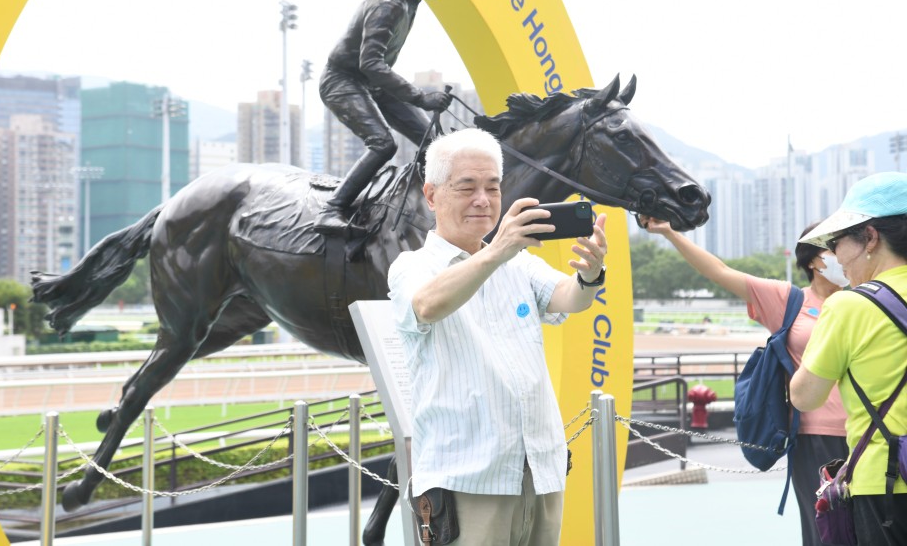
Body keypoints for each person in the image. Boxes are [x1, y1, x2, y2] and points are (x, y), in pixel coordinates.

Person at [387, 128, 608, 545]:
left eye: (493, 187)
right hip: (466, 478)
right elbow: (426, 305)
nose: (483, 200)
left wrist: (591, 274)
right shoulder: (411, 266)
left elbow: (568, 298)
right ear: (431, 196)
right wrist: (495, 250)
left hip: (538, 469)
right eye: (467, 186)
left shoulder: (517, 264)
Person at [643, 216, 848, 546]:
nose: (843, 253)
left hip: (870, 431)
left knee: (871, 525)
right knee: (823, 528)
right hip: (815, 437)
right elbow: (720, 272)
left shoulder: (864, 298)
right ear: (813, 259)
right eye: (833, 247)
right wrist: (669, 233)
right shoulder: (788, 300)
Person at [314, 0, 488, 233]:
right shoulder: (390, 5)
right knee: (383, 144)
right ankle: (332, 209)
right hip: (345, 80)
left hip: (372, 80)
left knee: (432, 141)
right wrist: (421, 97)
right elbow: (370, 65)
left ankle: (435, 209)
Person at [791, 172, 907, 545]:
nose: (836, 258)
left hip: (885, 484)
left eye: (837, 242)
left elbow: (805, 396)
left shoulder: (849, 305)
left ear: (870, 237)